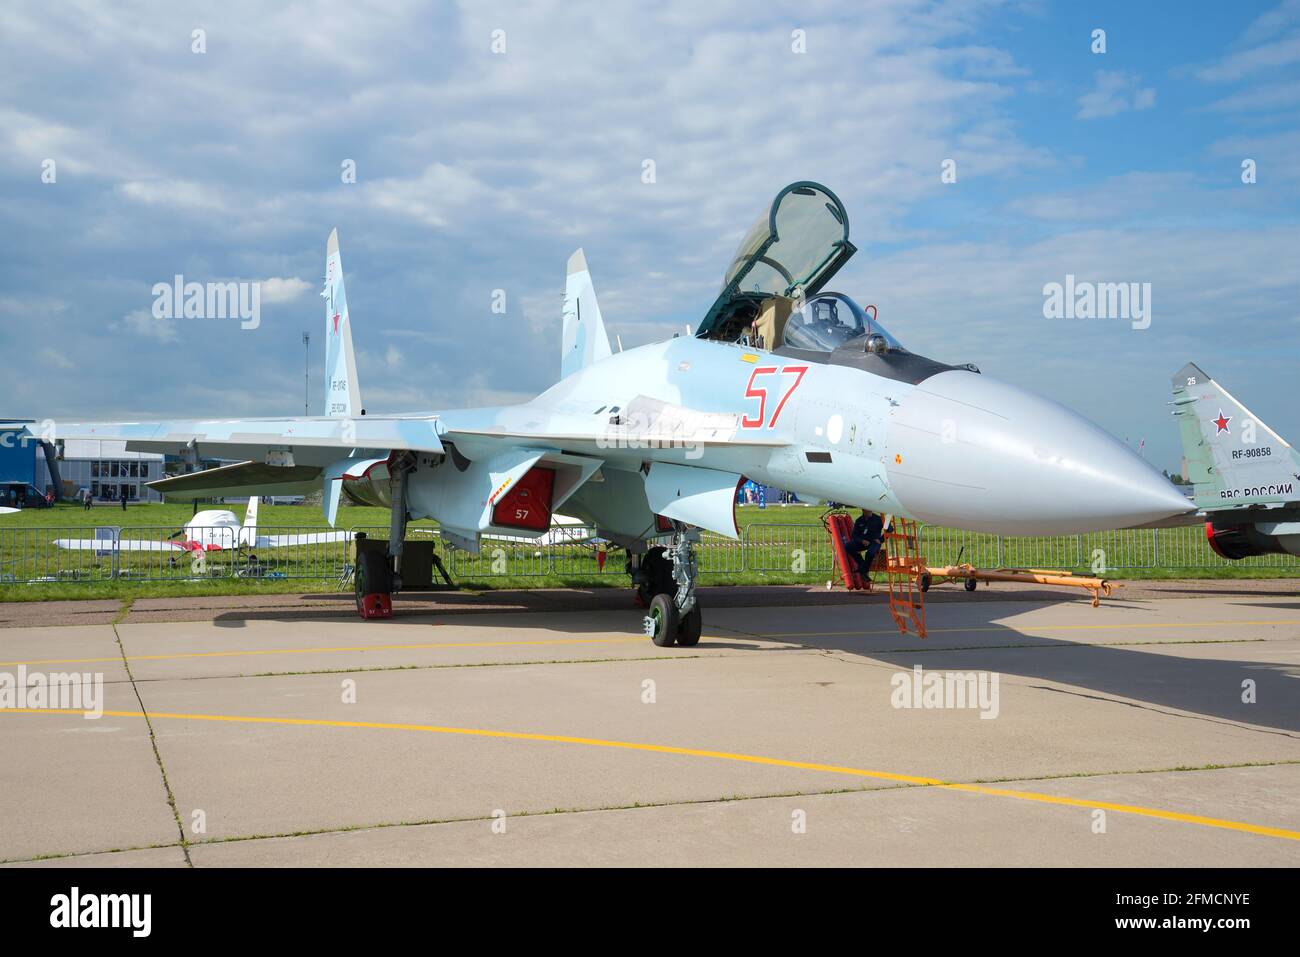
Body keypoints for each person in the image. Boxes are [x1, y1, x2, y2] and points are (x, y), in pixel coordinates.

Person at [845, 509, 884, 579]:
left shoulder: (878, 519)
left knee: (870, 553)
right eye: (867, 510)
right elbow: (854, 535)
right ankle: (862, 564)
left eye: (870, 510)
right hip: (863, 542)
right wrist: (862, 540)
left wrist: (881, 540)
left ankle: (863, 570)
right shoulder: (859, 520)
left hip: (875, 542)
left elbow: (890, 529)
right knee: (848, 546)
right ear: (863, 510)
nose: (870, 512)